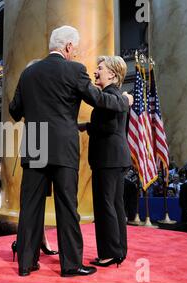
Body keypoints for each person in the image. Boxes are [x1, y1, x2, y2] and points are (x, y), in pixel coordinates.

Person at [9, 25, 133, 277]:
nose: (75, 54)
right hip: (63, 147)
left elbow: (14, 110)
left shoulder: (28, 73)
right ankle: (71, 264)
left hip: (35, 142)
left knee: (30, 206)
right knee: (67, 206)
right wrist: (124, 101)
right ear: (67, 47)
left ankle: (26, 263)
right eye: (75, 49)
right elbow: (99, 100)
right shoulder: (75, 70)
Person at [78, 55, 130, 268]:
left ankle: (108, 253)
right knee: (116, 205)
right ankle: (118, 251)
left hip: (107, 159)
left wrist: (86, 126)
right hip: (116, 158)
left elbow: (107, 128)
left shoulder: (109, 96)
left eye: (100, 68)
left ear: (112, 74)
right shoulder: (118, 95)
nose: (95, 71)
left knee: (104, 205)